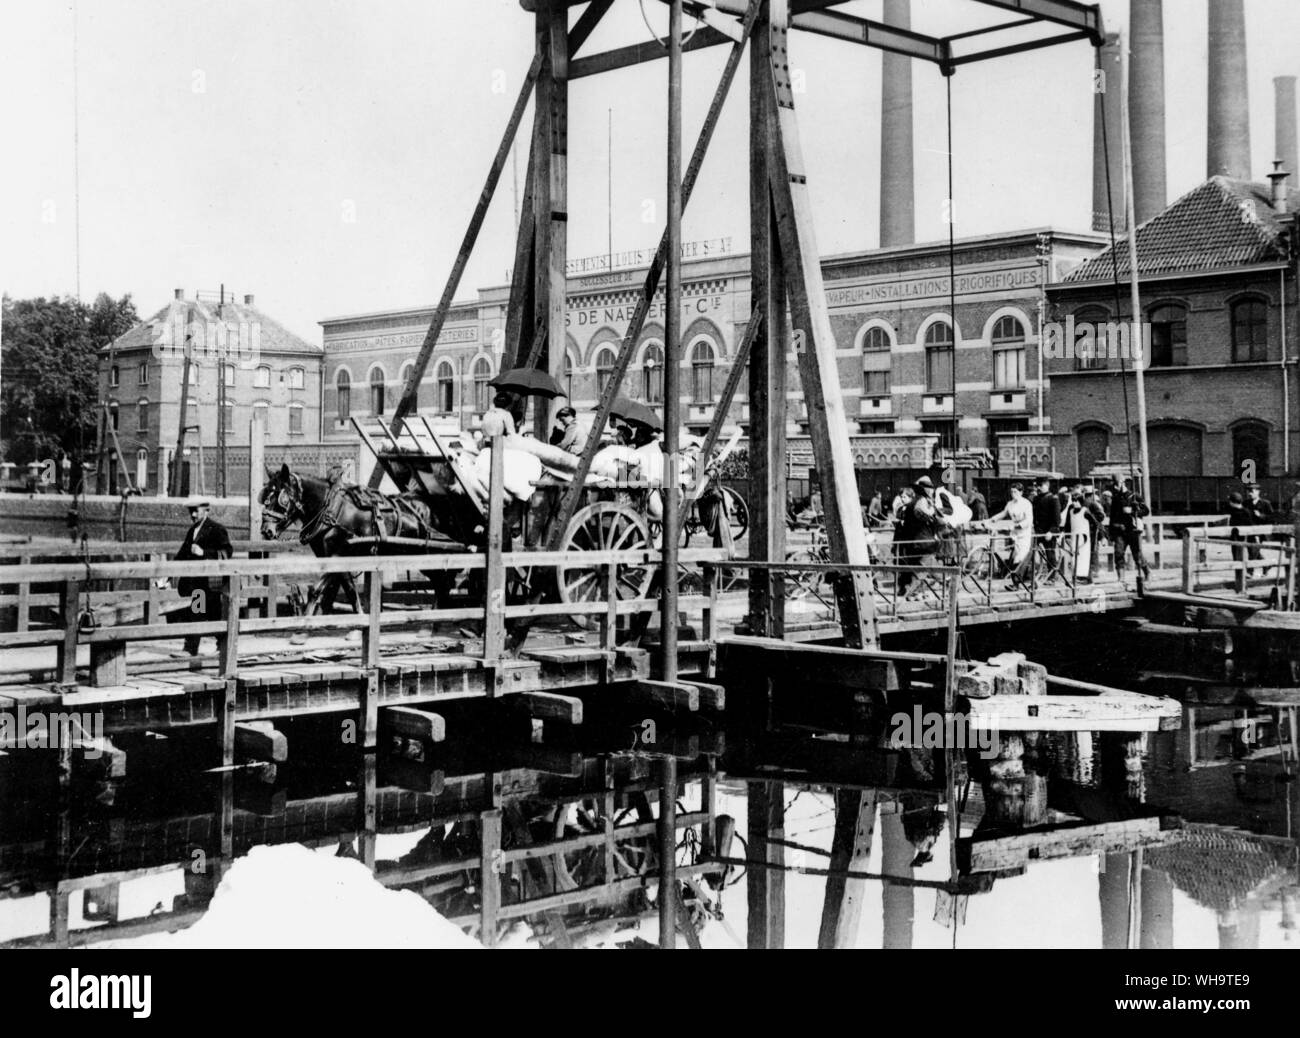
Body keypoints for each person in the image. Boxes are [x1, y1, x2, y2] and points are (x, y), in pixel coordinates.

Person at [171, 497, 232, 655]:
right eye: (190, 511)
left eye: (195, 511)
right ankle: (192, 648)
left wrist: (203, 552)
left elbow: (226, 552)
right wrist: (168, 572)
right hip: (196, 583)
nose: (192, 515)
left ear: (206, 511)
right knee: (197, 613)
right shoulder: (192, 530)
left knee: (214, 614)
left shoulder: (217, 529)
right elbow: (182, 554)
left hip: (211, 582)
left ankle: (221, 647)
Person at [896, 476, 942, 598]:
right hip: (923, 541)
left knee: (918, 567)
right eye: (930, 489)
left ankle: (914, 592)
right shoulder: (922, 501)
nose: (931, 491)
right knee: (924, 568)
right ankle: (947, 581)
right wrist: (932, 512)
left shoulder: (912, 502)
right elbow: (923, 513)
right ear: (926, 490)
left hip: (913, 542)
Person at [988, 482, 1034, 588]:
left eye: (1016, 492)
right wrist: (993, 519)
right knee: (1015, 559)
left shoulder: (1026, 504)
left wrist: (1016, 526)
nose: (1013, 494)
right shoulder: (1010, 504)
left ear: (1021, 492)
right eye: (1012, 492)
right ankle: (1028, 582)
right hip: (1015, 535)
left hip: (1025, 534)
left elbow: (1028, 521)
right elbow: (1004, 513)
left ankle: (1016, 584)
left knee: (1020, 559)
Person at [1109, 477, 1150, 584]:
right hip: (1120, 530)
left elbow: (1146, 511)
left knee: (1137, 554)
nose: (1115, 487)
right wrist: (1111, 533)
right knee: (1118, 553)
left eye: (1116, 484)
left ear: (1122, 483)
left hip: (1132, 530)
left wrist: (1132, 511)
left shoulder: (1134, 496)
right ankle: (1121, 578)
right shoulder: (1115, 498)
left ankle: (1147, 573)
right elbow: (1112, 516)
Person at [1032, 476, 1062, 578]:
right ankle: (1031, 574)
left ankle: (1052, 576)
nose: (1038, 488)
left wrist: (1051, 531)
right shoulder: (1036, 499)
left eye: (1040, 486)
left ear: (1047, 486)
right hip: (1038, 531)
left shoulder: (1053, 499)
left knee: (1050, 554)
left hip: (1048, 532)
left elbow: (1057, 518)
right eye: (1037, 486)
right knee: (1030, 551)